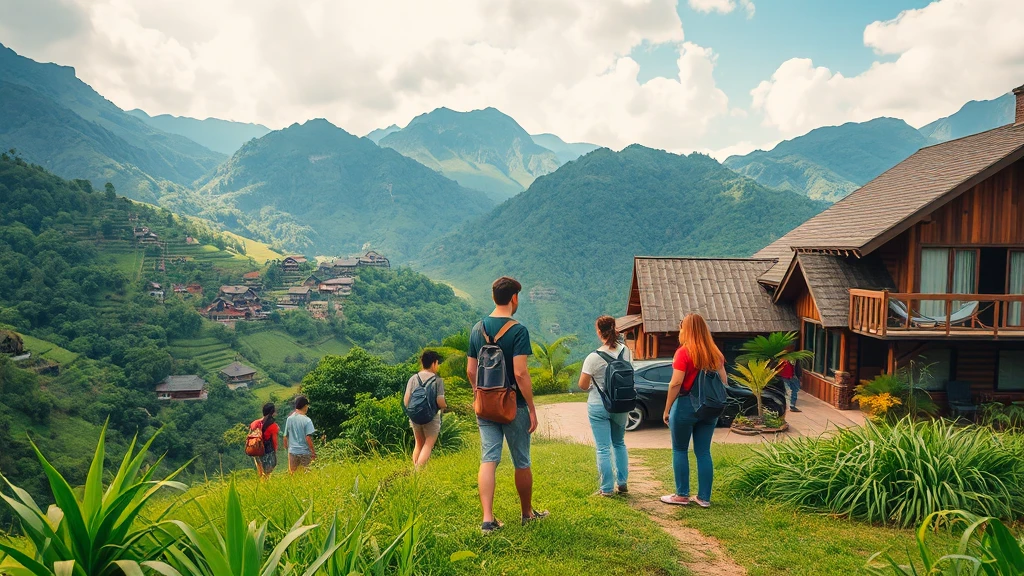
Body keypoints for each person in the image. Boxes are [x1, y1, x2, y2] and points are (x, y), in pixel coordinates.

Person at [467, 276, 548, 534]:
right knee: (521, 459)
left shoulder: (477, 328)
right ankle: (526, 513)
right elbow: (521, 373)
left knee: (489, 458)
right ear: (514, 298)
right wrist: (532, 408)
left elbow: (470, 370)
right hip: (515, 405)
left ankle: (488, 519)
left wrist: (477, 394)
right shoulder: (518, 330)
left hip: (486, 404)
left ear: (494, 297)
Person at [660, 313, 728, 508]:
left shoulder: (684, 352)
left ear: (687, 330)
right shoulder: (716, 354)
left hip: (685, 406)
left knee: (680, 449)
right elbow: (724, 381)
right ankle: (704, 498)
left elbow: (676, 383)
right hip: (709, 408)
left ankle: (682, 495)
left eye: (681, 327)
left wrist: (667, 409)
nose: (679, 331)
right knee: (703, 451)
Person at [578, 315, 631, 497]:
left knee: (603, 448)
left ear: (599, 332)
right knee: (619, 443)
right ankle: (622, 483)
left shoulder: (593, 357)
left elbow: (583, 385)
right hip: (622, 404)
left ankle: (606, 488)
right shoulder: (626, 352)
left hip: (599, 405)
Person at [405, 349, 448, 469]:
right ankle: (417, 472)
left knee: (418, 443)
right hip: (431, 417)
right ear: (434, 363)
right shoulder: (437, 380)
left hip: (414, 415)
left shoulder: (413, 378)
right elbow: (440, 401)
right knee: (428, 444)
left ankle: (415, 468)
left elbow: (406, 400)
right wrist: (445, 406)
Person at [283, 394, 316, 474]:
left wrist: (287, 448)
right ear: (305, 406)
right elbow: (308, 438)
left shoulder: (289, 419)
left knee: (293, 474)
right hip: (304, 452)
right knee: (306, 474)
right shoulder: (307, 420)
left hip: (292, 452)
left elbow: (285, 436)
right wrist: (313, 452)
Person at [250, 402, 280, 478]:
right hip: (267, 451)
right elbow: (274, 442)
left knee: (260, 472)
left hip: (256, 450)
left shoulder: (254, 423)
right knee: (267, 473)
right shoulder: (273, 426)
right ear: (272, 412)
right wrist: (275, 451)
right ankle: (265, 486)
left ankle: (261, 485)